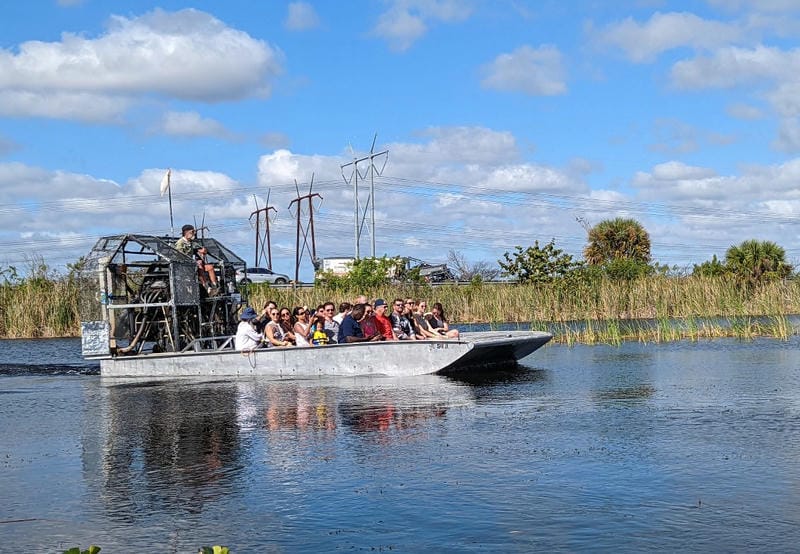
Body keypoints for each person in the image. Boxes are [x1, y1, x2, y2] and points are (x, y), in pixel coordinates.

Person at [174, 224, 218, 292]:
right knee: (199, 266)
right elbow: (180, 256)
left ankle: (214, 287)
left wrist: (202, 250)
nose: (194, 233)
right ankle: (207, 288)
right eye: (192, 232)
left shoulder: (191, 242)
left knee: (210, 267)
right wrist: (194, 262)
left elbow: (196, 249)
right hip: (185, 266)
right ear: (186, 232)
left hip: (192, 264)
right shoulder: (180, 243)